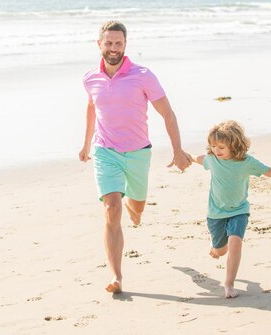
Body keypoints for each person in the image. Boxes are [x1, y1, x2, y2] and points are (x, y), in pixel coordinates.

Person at [79, 21, 192, 294]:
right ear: (99, 44)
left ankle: (135, 209)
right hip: (105, 151)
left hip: (138, 153)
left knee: (136, 209)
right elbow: (92, 107)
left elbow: (168, 113)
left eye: (118, 43)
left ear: (125, 45)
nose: (113, 48)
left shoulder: (143, 76)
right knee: (112, 208)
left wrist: (177, 150)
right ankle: (116, 275)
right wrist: (85, 145)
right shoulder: (90, 78)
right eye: (108, 43)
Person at [188, 120, 271, 298]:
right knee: (221, 251)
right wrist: (184, 155)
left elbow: (268, 170)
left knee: (235, 243)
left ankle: (229, 284)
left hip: (239, 210)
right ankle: (215, 248)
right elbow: (196, 159)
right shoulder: (212, 160)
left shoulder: (246, 162)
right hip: (216, 214)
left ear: (234, 145)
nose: (217, 150)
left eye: (221, 146)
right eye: (214, 146)